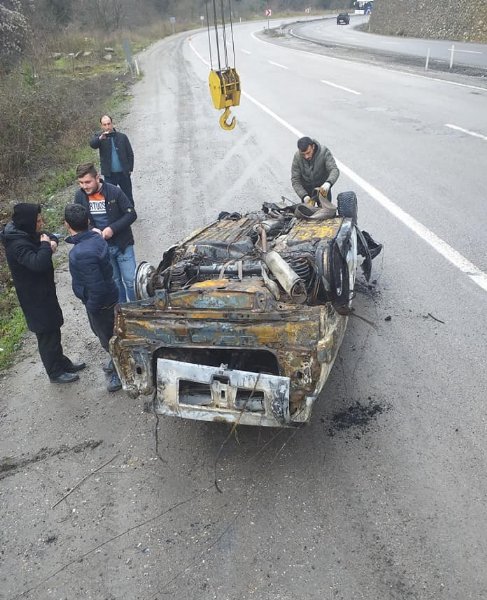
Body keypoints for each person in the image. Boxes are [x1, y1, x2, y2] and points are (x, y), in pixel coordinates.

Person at [0, 203, 86, 383]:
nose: (41, 223)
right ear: (29, 222)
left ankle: (61, 362)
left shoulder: (24, 231)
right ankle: (54, 372)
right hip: (34, 297)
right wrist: (47, 246)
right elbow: (38, 263)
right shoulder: (17, 244)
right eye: (38, 221)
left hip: (43, 291)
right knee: (46, 334)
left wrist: (50, 242)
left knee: (53, 328)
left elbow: (47, 236)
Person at [64, 204, 122, 392]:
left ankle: (119, 373)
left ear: (67, 224)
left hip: (100, 304)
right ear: (88, 221)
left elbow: (96, 287)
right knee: (111, 334)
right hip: (110, 296)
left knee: (109, 340)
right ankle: (116, 363)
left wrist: (92, 305)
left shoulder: (81, 253)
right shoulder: (95, 239)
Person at [74, 162, 137, 303]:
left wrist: (112, 229)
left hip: (123, 245)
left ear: (97, 178)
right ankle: (122, 311)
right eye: (81, 183)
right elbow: (77, 221)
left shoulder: (114, 191)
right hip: (102, 249)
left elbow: (131, 214)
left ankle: (136, 309)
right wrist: (91, 230)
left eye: (88, 182)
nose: (84, 186)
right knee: (115, 282)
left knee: (131, 282)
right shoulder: (79, 196)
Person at [89, 115, 135, 205]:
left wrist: (130, 168)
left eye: (109, 124)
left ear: (112, 124)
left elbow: (130, 153)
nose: (107, 127)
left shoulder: (122, 137)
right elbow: (92, 144)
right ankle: (116, 214)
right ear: (101, 126)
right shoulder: (100, 138)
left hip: (123, 173)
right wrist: (100, 138)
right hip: (109, 175)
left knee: (127, 194)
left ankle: (131, 213)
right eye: (104, 124)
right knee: (111, 197)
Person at [291, 136, 340, 206]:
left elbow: (334, 170)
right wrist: (304, 196)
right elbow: (295, 180)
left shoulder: (324, 152)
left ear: (313, 146)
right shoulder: (297, 157)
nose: (306, 156)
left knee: (326, 212)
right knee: (307, 213)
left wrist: (328, 183)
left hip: (323, 189)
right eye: (303, 154)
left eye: (308, 153)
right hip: (307, 191)